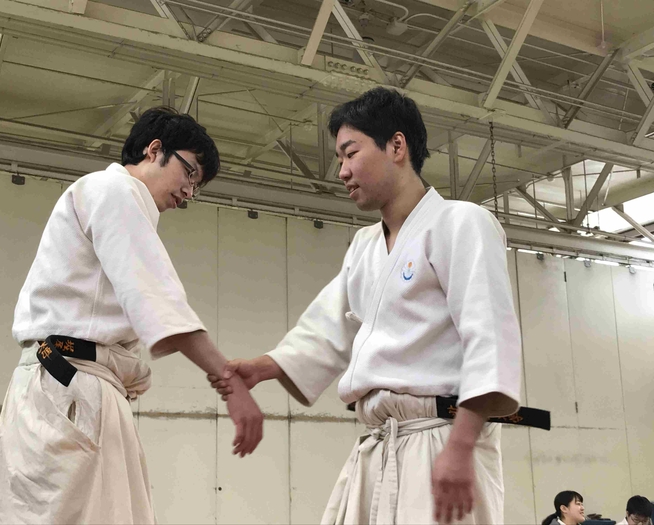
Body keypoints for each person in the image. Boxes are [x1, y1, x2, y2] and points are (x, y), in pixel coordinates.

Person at [208, 87, 521, 524]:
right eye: (340, 159)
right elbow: (330, 327)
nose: (342, 171)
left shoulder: (461, 222)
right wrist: (264, 367)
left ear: (397, 146)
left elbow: (490, 339)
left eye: (350, 153)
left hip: (442, 436)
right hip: (378, 442)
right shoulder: (365, 245)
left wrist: (461, 445)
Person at [0, 107, 263, 524]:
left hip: (64, 380)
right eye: (190, 173)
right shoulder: (114, 190)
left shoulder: (108, 197)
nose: (190, 192)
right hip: (70, 380)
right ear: (154, 150)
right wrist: (230, 383)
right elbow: (159, 301)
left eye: (197, 185)